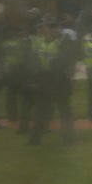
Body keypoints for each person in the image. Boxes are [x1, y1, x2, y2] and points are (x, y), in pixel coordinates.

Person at [28, 18, 75, 146]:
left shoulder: (65, 42)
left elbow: (66, 59)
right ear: (46, 29)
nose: (52, 30)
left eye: (55, 28)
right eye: (49, 28)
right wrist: (36, 71)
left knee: (64, 110)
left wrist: (55, 67)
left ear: (59, 29)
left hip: (60, 80)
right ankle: (35, 139)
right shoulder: (40, 42)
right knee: (41, 111)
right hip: (44, 79)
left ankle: (68, 139)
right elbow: (33, 58)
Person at [1, 24, 32, 133]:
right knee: (15, 95)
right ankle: (15, 116)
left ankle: (14, 116)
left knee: (15, 95)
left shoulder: (10, 43)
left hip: (15, 70)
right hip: (15, 70)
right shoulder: (16, 43)